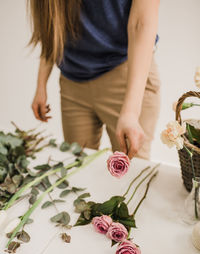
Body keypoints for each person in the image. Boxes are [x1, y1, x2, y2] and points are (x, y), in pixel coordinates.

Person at [29, 0, 160, 160]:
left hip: (126, 77)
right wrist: (41, 85)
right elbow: (51, 24)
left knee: (130, 174)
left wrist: (131, 112)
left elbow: (141, 24)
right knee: (77, 169)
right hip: (72, 85)